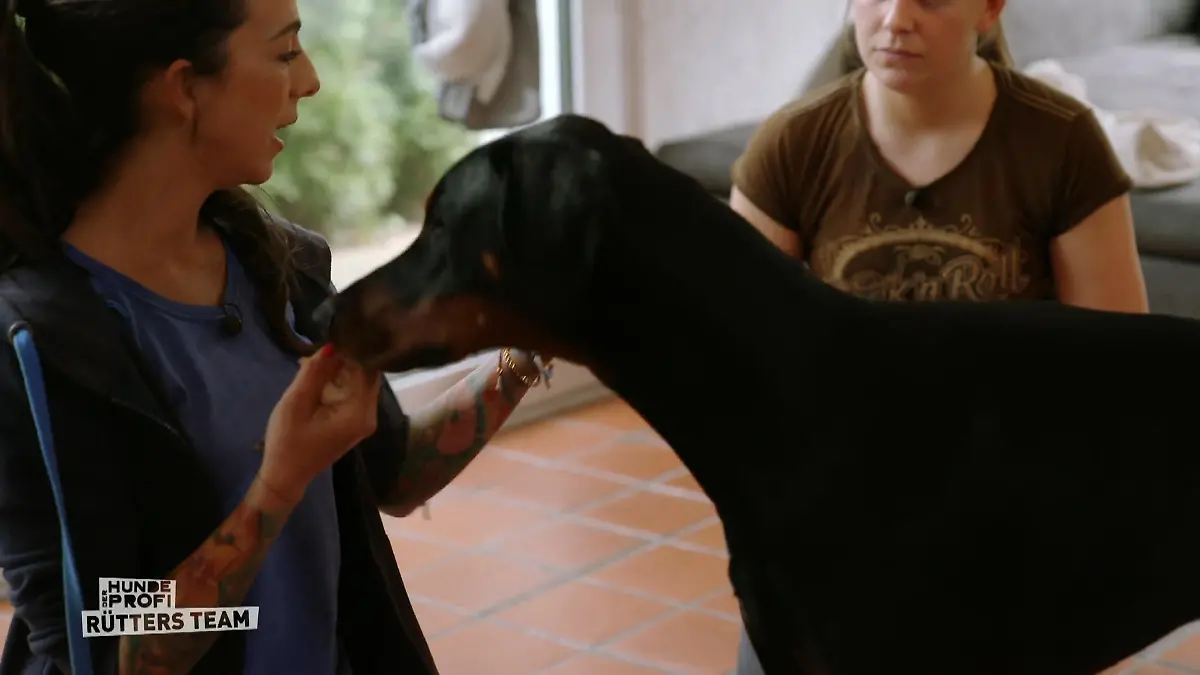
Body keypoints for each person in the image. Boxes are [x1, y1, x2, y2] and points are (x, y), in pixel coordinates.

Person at [0, 0, 547, 673]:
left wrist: (531, 345)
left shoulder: (281, 265)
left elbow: (395, 471)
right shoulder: (33, 341)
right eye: (285, 51)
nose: (310, 79)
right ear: (183, 88)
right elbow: (113, 652)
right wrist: (279, 482)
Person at [728, 0, 1148, 671]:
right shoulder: (794, 142)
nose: (895, 19)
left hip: (1002, 513)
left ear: (989, 9)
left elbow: (1119, 371)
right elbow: (736, 352)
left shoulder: (1060, 141)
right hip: (839, 511)